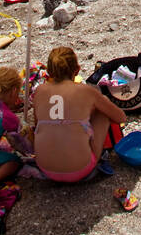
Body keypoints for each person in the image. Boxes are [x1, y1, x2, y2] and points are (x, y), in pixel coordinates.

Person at [30, 45, 126, 183]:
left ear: (49, 72)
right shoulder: (85, 91)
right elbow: (120, 117)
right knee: (103, 111)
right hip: (80, 170)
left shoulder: (39, 91)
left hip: (46, 169)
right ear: (77, 70)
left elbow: (38, 124)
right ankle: (96, 155)